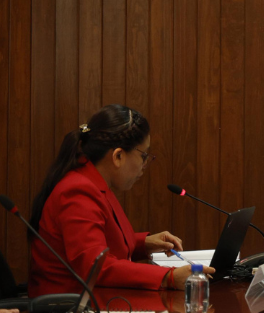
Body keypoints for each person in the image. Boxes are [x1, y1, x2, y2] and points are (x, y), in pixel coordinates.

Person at [28, 105, 210, 294]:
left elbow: (101, 243)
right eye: (144, 155)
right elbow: (96, 267)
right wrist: (168, 277)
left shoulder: (92, 180)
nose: (145, 165)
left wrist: (144, 244)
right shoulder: (78, 191)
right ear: (118, 156)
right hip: (64, 310)